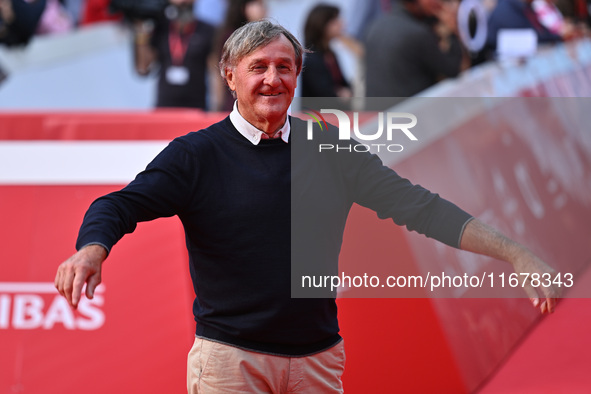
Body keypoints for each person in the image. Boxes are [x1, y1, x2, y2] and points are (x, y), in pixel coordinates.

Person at [55, 20, 560, 393]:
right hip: (232, 366)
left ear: (298, 75)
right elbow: (119, 204)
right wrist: (91, 249)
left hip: (319, 361)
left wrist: (514, 252)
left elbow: (421, 208)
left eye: (284, 67)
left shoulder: (331, 148)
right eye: (258, 68)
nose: (272, 80)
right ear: (230, 76)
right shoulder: (196, 155)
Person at [364, 0, 469, 97]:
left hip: (379, 113)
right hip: (409, 112)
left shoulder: (376, 26)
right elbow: (455, 69)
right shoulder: (417, 33)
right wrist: (453, 32)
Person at [133, 0, 215, 109]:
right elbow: (143, 68)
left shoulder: (207, 30)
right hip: (164, 107)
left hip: (196, 107)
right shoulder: (161, 28)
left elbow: (214, 72)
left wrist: (217, 107)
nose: (182, 2)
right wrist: (141, 32)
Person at [212, 0, 267, 111]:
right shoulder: (230, 37)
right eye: (257, 4)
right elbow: (219, 74)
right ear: (243, 7)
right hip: (235, 104)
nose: (263, 9)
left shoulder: (265, 37)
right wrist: (217, 103)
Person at [300, 4, 356, 98]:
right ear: (322, 24)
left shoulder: (330, 54)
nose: (341, 24)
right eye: (335, 21)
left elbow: (344, 84)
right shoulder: (312, 59)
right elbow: (324, 93)